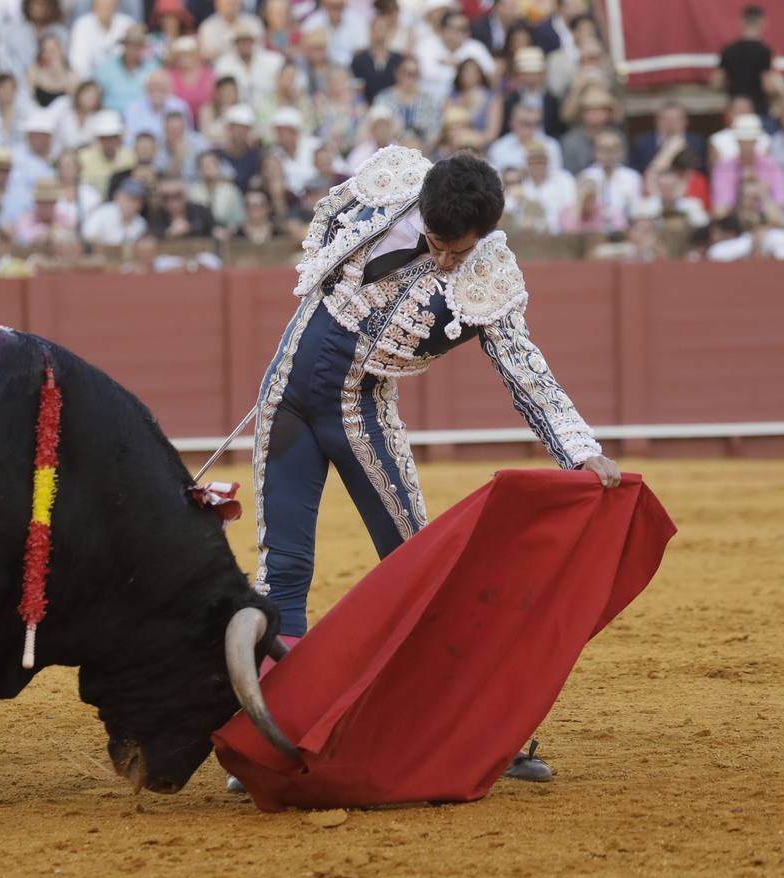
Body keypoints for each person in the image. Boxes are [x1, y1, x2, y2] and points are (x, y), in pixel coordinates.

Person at [250, 150, 620, 784]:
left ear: (487, 234)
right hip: (285, 395)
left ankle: (475, 732)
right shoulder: (389, 180)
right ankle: (270, 736)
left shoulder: (491, 278)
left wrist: (579, 450)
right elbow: (327, 220)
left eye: (459, 251)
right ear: (421, 209)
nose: (446, 260)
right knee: (282, 567)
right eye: (437, 243)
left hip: (360, 409)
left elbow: (526, 373)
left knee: (417, 566)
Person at [713, 5, 779, 118]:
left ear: (742, 22)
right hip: (758, 110)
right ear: (762, 22)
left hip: (735, 109)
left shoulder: (728, 49)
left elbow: (716, 82)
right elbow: (767, 86)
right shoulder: (764, 51)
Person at [81, 177, 148, 246]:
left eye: (138, 200)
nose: (133, 204)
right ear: (117, 196)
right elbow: (88, 237)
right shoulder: (103, 213)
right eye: (130, 198)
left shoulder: (140, 223)